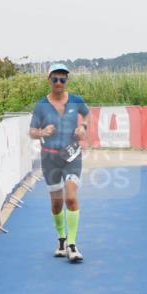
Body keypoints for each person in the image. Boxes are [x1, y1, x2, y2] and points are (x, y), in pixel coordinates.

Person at [29, 63, 90, 263]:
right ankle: (61, 239)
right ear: (49, 80)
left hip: (72, 156)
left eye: (62, 79)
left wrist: (83, 126)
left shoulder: (76, 101)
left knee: (71, 198)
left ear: (66, 81)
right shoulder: (41, 106)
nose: (58, 82)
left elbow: (87, 114)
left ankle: (72, 245)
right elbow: (31, 132)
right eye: (55, 79)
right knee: (56, 203)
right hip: (50, 158)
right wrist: (41, 132)